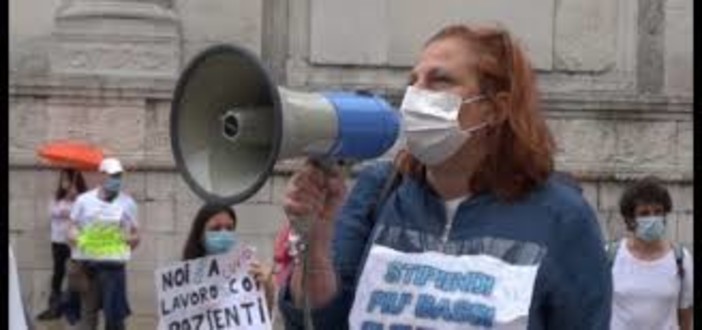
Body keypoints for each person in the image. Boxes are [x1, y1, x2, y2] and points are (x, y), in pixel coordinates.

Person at [278, 23, 611, 329]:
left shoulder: (562, 218)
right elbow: (321, 321)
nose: (416, 96)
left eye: (440, 81)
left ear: (495, 108)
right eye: (413, 82)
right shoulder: (379, 191)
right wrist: (316, 241)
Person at [609, 176, 693, 330]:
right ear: (630, 219)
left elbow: (685, 315)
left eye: (658, 212)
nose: (652, 218)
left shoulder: (680, 259)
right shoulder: (610, 257)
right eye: (644, 213)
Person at [66, 157, 140, 330]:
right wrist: (77, 237)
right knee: (87, 316)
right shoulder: (83, 201)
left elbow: (136, 236)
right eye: (113, 175)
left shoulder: (128, 203)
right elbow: (70, 230)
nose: (116, 180)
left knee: (115, 319)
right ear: (101, 175)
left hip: (114, 270)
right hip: (87, 268)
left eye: (119, 176)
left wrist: (127, 240)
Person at [182, 203, 276, 314]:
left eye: (230, 228)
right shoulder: (182, 279)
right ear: (200, 235)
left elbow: (261, 319)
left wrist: (268, 290)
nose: (224, 234)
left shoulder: (248, 272)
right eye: (215, 228)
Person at [37, 168, 87, 320]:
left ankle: (75, 308)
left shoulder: (83, 198)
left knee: (76, 275)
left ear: (74, 179)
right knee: (58, 274)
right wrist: (66, 201)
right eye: (63, 179)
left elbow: (85, 217)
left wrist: (75, 199)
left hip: (75, 243)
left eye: (67, 179)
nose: (64, 182)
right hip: (58, 242)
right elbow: (52, 212)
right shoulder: (57, 197)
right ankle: (54, 308)